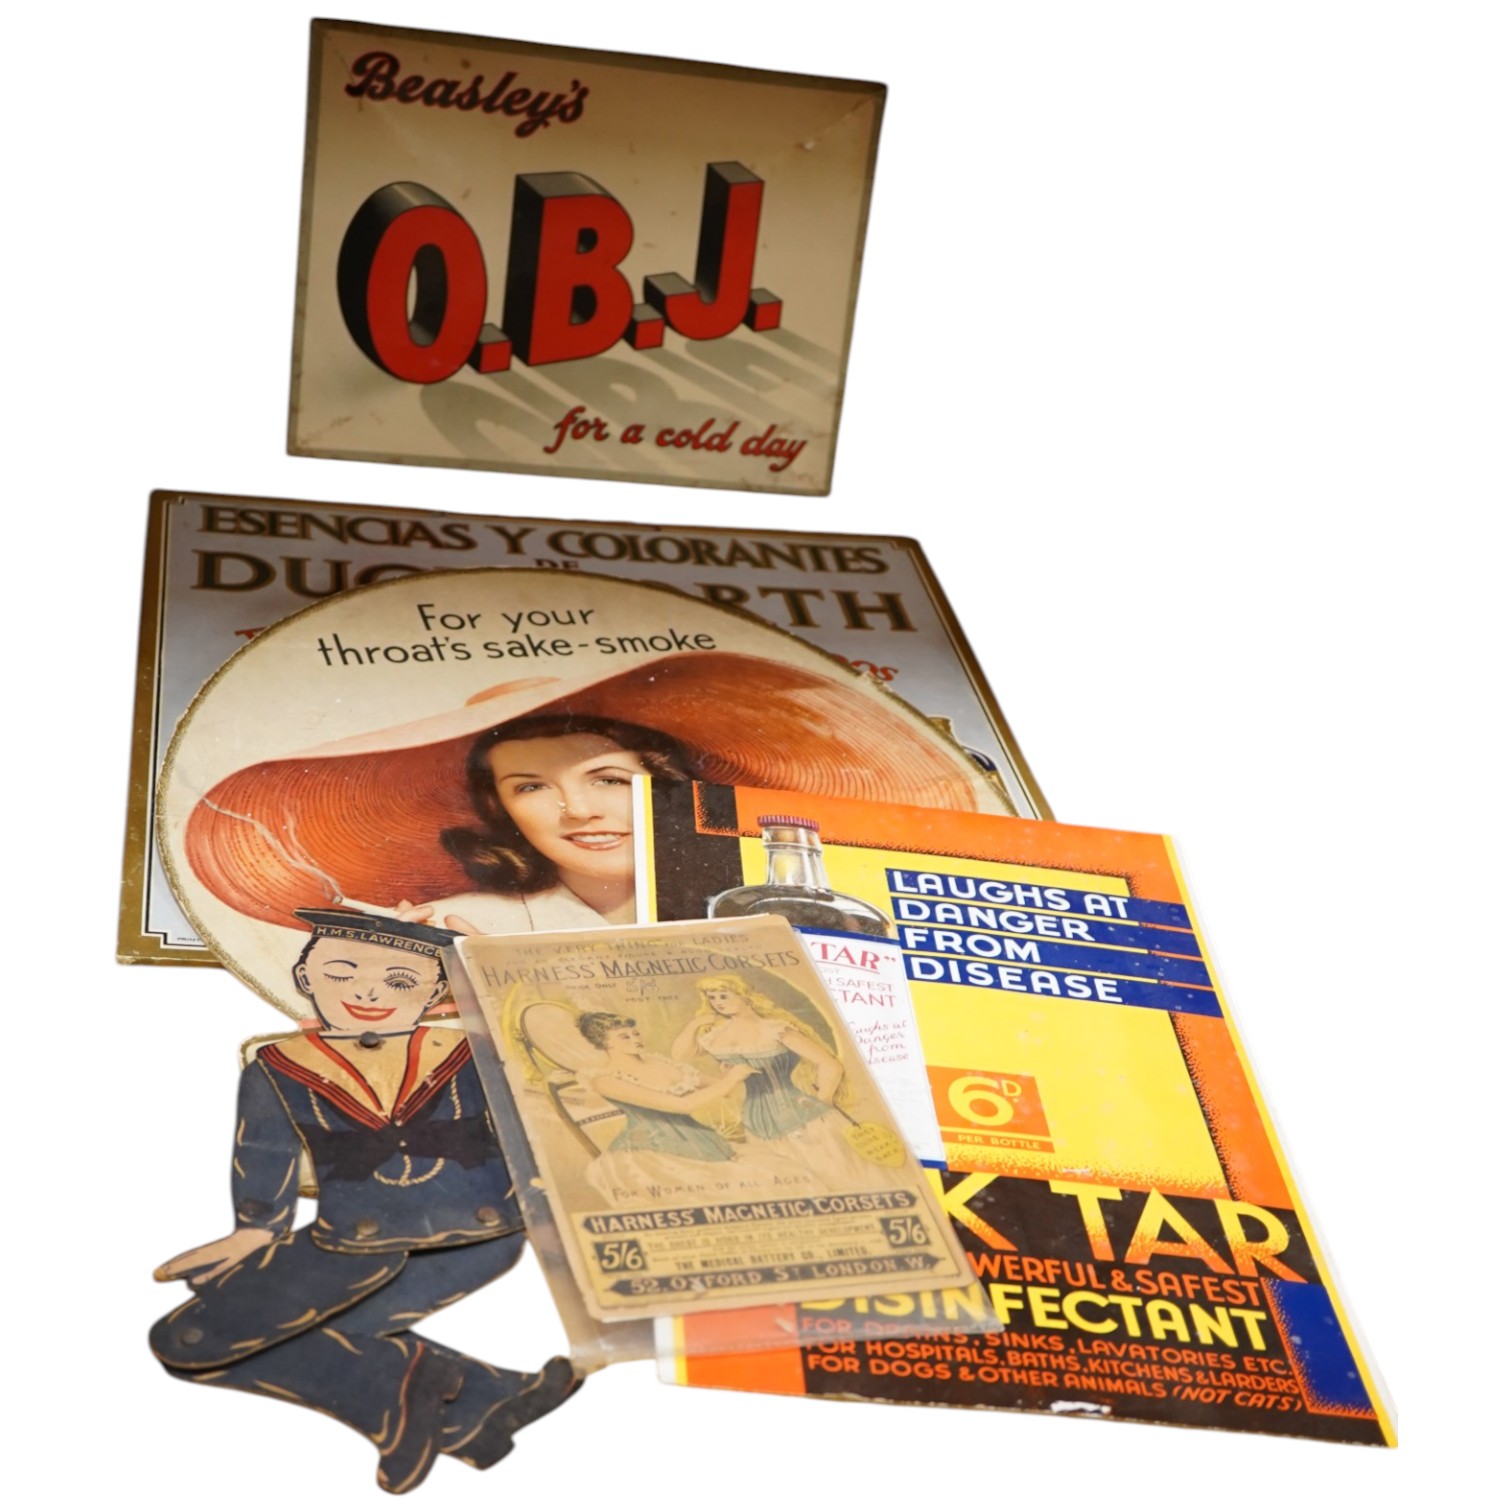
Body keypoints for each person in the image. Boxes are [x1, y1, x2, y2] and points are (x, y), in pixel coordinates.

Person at [150, 909, 580, 1494]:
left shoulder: (470, 1050)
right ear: (305, 976)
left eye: (401, 980)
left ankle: (426, 1391)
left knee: (194, 1337)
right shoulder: (276, 1067)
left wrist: (502, 980)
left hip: (478, 1234)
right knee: (201, 1335)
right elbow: (264, 1151)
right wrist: (255, 1229)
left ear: (437, 990)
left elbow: (551, 1092)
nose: (370, 992)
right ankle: (486, 1409)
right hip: (349, 1240)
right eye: (341, 973)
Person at [400, 715, 690, 934]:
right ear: (498, 808)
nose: (578, 811)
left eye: (609, 780)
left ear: (670, 784)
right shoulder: (444, 925)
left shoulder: (716, 905)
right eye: (532, 787)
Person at [673, 973, 887, 1190]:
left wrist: (823, 1100)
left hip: (805, 1121)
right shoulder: (716, 1035)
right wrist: (695, 1024)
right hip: (756, 1127)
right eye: (712, 998)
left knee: (837, 1178)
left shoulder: (774, 1029)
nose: (717, 1002)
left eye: (723, 996)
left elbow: (830, 1065)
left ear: (745, 997)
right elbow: (679, 1055)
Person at [573, 1011, 773, 1206]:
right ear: (606, 1042)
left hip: (704, 1140)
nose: (635, 1039)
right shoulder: (605, 1080)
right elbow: (682, 1106)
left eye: (635, 1033)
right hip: (650, 1153)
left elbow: (724, 1090)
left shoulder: (659, 1062)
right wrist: (730, 1080)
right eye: (624, 1037)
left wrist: (730, 1076)